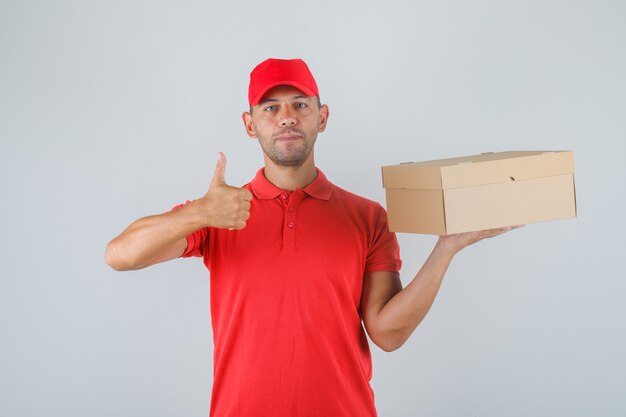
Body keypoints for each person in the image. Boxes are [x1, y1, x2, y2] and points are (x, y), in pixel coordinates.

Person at [105, 58, 517, 417]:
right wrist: (200, 212)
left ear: (322, 117)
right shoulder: (220, 211)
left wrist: (447, 248)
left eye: (300, 105)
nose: (286, 117)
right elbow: (119, 255)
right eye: (271, 108)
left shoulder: (367, 217)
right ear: (250, 124)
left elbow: (388, 334)